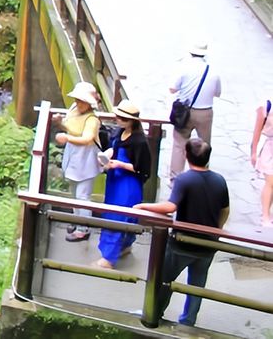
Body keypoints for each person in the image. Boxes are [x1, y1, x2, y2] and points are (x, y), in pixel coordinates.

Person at [137, 138, 230, 326]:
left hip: (182, 243)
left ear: (186, 155)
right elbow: (225, 210)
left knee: (164, 280)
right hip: (207, 245)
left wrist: (143, 205)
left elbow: (170, 207)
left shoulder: (184, 179)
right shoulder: (220, 180)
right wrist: (215, 231)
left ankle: (154, 314)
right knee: (197, 287)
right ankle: (188, 322)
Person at [95, 98, 152, 267]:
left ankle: (109, 258)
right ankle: (123, 246)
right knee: (110, 213)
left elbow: (142, 168)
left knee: (120, 216)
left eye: (121, 118)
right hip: (115, 180)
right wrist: (108, 155)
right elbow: (116, 146)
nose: (117, 120)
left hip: (128, 184)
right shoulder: (120, 132)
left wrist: (119, 164)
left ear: (130, 121)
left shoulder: (140, 141)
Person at [56, 81, 102, 241]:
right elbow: (69, 127)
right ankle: (76, 220)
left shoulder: (92, 120)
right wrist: (59, 122)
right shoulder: (74, 110)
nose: (78, 103)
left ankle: (84, 228)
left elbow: (87, 138)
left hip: (86, 160)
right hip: (73, 157)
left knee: (83, 196)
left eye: (81, 100)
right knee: (74, 193)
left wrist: (67, 138)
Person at [168, 43, 222, 177]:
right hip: (205, 112)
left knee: (179, 144)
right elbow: (217, 93)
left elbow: (172, 89)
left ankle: (176, 177)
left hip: (184, 111)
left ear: (190, 52)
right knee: (204, 144)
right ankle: (202, 174)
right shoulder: (213, 71)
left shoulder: (183, 68)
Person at [253, 96, 273, 228]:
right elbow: (257, 130)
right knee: (271, 182)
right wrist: (253, 151)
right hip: (270, 148)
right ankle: (265, 216)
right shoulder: (266, 105)